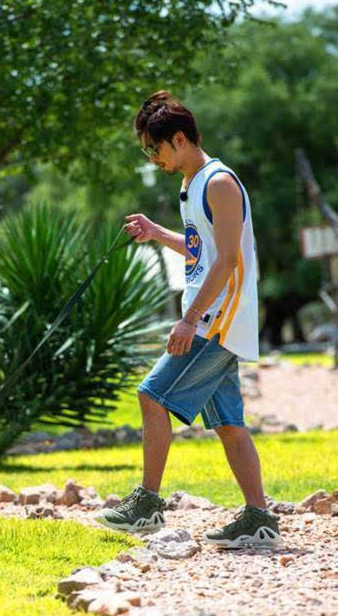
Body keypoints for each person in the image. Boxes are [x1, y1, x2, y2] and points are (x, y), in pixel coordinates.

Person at [95, 90, 280, 549]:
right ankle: (260, 519)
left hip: (216, 322)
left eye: (153, 149)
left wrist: (189, 320)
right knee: (230, 425)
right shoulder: (191, 184)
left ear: (178, 139)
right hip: (210, 318)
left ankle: (148, 504)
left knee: (151, 395)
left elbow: (229, 261)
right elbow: (204, 250)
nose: (152, 158)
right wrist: (158, 233)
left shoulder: (218, 182)